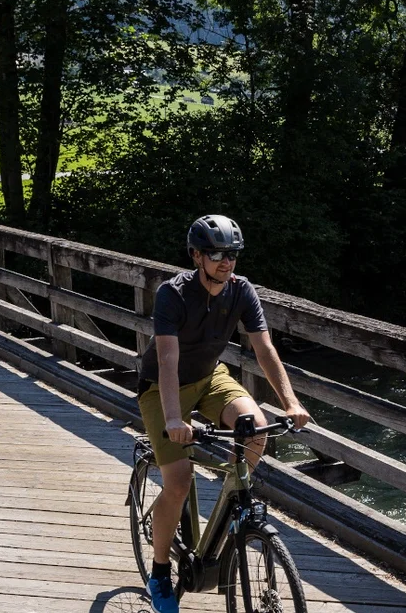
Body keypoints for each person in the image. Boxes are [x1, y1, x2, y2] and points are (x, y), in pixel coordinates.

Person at [137, 215, 313, 613]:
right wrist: (172, 420)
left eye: (232, 254)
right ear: (196, 255)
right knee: (178, 482)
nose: (226, 261)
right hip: (163, 388)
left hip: (210, 377)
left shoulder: (241, 290)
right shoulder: (173, 294)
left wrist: (291, 402)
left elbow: (265, 350)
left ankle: (227, 502)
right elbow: (167, 359)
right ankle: (161, 572)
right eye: (216, 254)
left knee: (256, 431)